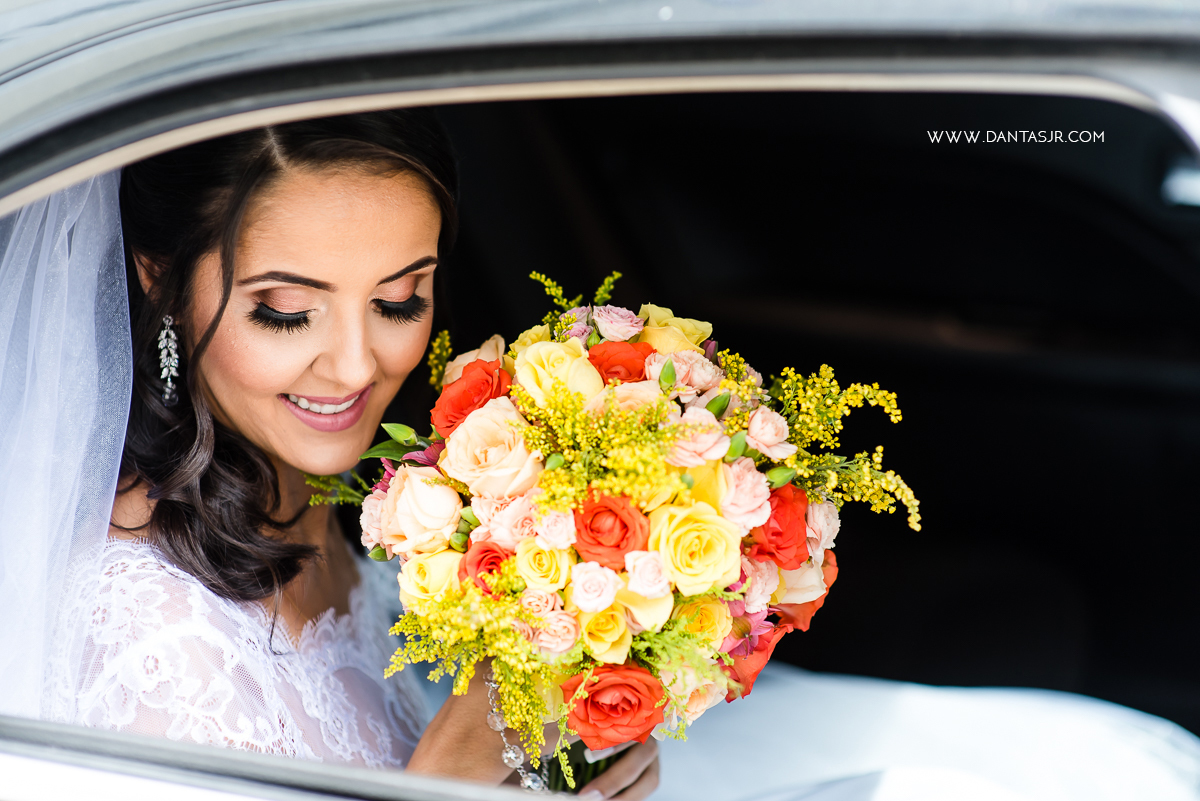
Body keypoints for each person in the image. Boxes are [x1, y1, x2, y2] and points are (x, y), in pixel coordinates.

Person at [0, 108, 1197, 801]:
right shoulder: (134, 639)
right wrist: (462, 768)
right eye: (284, 311)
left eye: (402, 298)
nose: (356, 366)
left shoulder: (360, 496)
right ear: (161, 280)